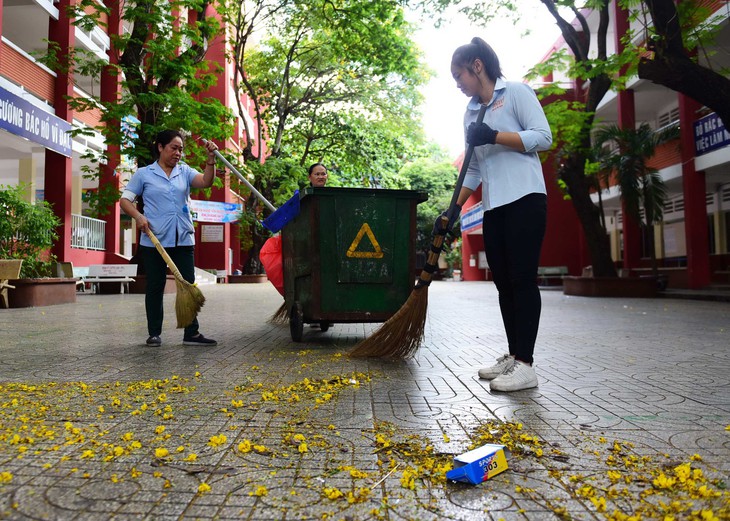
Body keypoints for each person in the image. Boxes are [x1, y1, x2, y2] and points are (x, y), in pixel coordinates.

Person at [449, 37, 553, 392]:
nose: (458, 83)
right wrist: (452, 209)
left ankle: (526, 365)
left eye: (459, 75)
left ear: (477, 66)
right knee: (504, 282)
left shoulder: (517, 92)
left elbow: (543, 137)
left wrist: (495, 135)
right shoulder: (470, 114)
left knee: (522, 279)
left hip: (526, 198)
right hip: (494, 206)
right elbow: (474, 171)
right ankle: (513, 355)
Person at [120, 130, 220, 347]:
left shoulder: (184, 172)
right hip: (154, 241)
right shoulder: (144, 174)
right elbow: (125, 200)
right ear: (160, 147)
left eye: (181, 149)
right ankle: (154, 333)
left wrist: (210, 161)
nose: (178, 153)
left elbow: (205, 182)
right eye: (173, 148)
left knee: (188, 285)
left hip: (183, 238)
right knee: (155, 286)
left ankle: (191, 333)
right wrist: (138, 216)